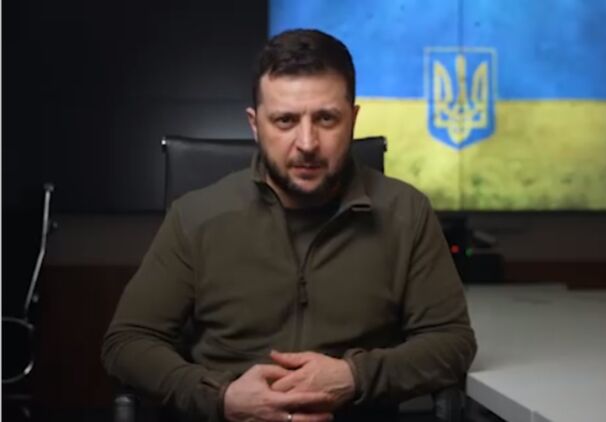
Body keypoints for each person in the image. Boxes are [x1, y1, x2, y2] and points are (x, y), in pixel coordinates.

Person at [102, 28, 476, 422]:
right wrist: (221, 396)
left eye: (326, 118)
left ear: (353, 119)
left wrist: (354, 377)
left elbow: (452, 343)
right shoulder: (195, 217)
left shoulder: (406, 213)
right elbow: (126, 343)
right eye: (285, 120)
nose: (307, 143)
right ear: (255, 124)